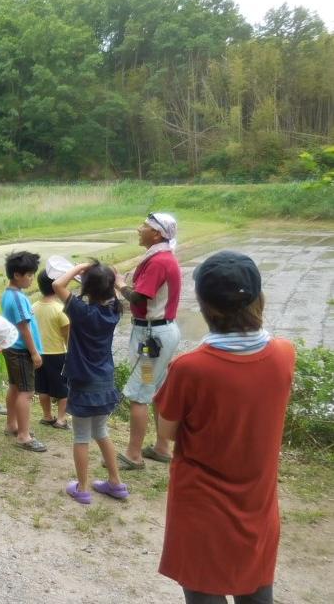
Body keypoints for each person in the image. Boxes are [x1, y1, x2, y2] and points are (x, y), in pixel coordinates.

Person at [155, 251, 293, 604]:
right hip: (257, 503)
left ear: (204, 306)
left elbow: (166, 433)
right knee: (258, 590)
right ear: (259, 297)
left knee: (203, 595)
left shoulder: (190, 368)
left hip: (201, 506)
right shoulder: (283, 353)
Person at [51, 261, 128, 505]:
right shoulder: (114, 310)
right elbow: (109, 289)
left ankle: (82, 488)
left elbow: (57, 284)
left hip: (83, 382)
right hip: (105, 380)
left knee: (81, 436)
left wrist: (81, 266)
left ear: (87, 288)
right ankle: (115, 482)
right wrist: (106, 277)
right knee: (101, 432)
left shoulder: (81, 312)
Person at [116, 212, 182, 469]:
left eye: (144, 225)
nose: (138, 228)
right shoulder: (163, 257)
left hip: (151, 337)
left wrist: (119, 285)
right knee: (155, 389)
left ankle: (133, 456)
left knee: (139, 393)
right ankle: (162, 447)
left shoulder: (158, 262)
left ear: (157, 234)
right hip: (161, 332)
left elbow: (139, 298)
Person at [1, 251, 46, 453]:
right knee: (26, 392)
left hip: (12, 348)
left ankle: (12, 424)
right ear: (17, 275)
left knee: (15, 387)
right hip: (21, 350)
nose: (30, 279)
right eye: (28, 275)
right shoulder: (18, 298)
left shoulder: (8, 293)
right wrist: (34, 352)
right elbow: (24, 328)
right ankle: (23, 435)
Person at [33, 270, 70, 429]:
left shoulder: (33, 307)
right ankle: (61, 420)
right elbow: (67, 336)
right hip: (58, 354)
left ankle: (47, 416)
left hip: (38, 354)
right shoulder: (60, 309)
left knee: (43, 387)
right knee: (63, 388)